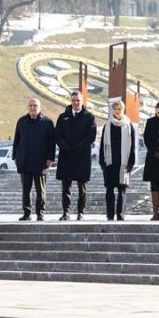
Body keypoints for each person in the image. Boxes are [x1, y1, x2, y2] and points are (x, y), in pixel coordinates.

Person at [55, 90, 97, 221]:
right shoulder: (63, 117)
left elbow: (91, 137)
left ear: (82, 101)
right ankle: (65, 213)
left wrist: (77, 148)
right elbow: (57, 135)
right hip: (66, 156)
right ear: (70, 101)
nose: (75, 103)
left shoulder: (89, 117)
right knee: (65, 187)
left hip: (82, 157)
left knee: (82, 188)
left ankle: (81, 213)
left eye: (78, 100)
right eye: (73, 100)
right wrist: (66, 147)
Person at [13, 98, 55, 221]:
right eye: (30, 105)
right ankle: (27, 213)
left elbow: (51, 143)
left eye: (35, 105)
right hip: (24, 160)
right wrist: (15, 157)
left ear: (39, 107)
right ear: (27, 107)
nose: (32, 108)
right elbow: (16, 140)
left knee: (40, 190)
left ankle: (40, 213)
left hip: (40, 162)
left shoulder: (47, 122)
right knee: (26, 190)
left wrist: (50, 158)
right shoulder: (22, 121)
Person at [98, 100, 136, 221]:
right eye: (115, 109)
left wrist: (131, 162)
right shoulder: (107, 125)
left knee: (122, 189)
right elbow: (102, 144)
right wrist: (102, 162)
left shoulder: (128, 125)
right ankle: (110, 215)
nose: (117, 111)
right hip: (110, 162)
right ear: (112, 110)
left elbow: (133, 145)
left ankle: (121, 215)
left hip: (123, 163)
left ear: (123, 110)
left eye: (119, 109)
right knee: (109, 189)